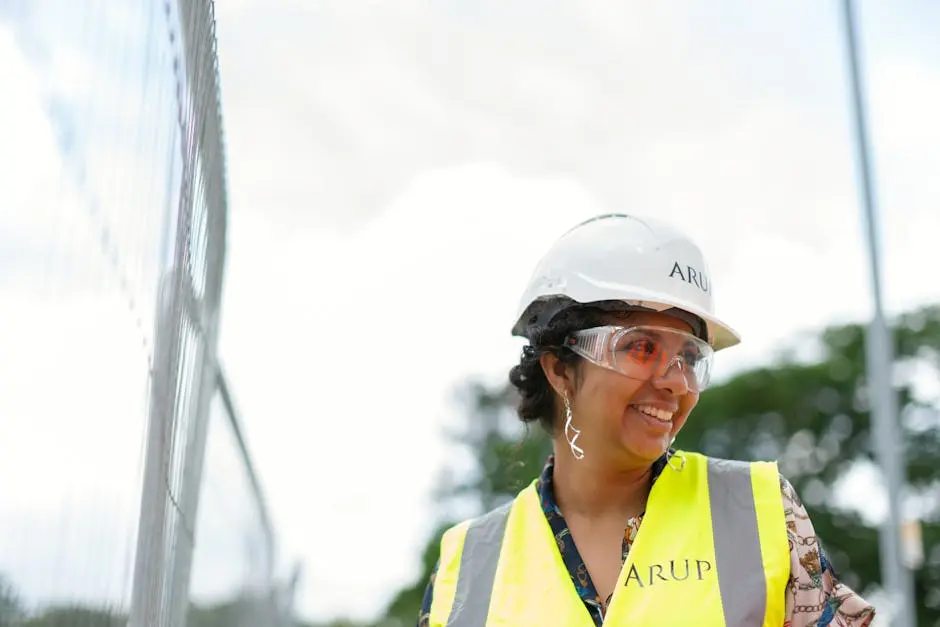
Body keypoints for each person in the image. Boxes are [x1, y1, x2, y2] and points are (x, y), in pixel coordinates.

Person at [417, 214, 876, 626]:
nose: (678, 382)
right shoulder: (466, 570)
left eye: (691, 357)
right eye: (641, 348)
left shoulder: (760, 514)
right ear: (559, 368)